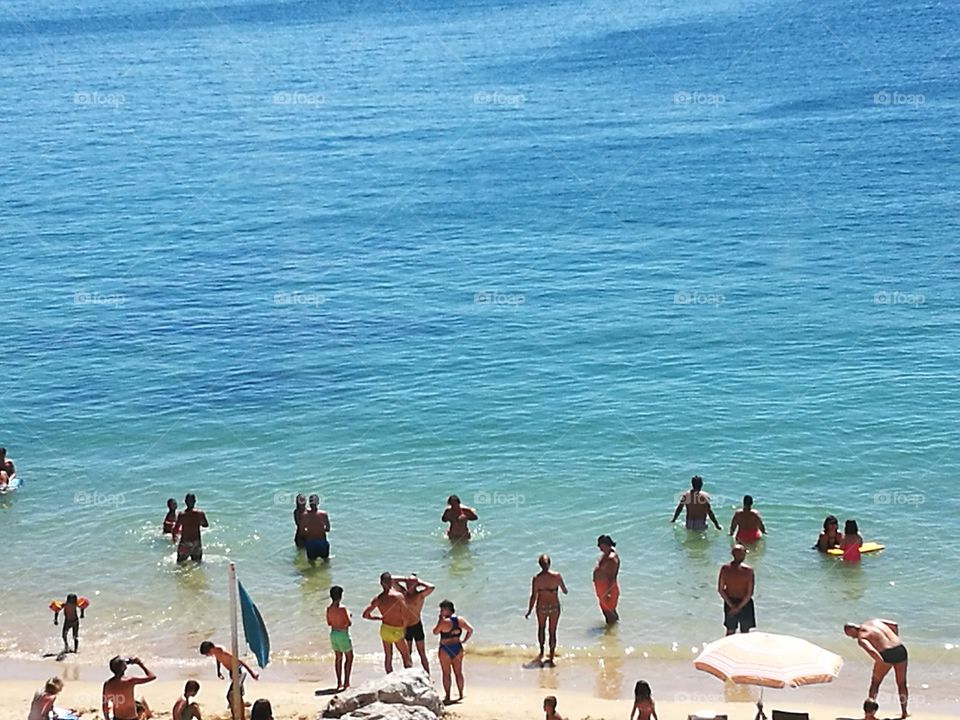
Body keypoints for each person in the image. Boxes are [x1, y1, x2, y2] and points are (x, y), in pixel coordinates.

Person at [843, 619, 908, 718]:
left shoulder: (862, 637)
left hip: (886, 654)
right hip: (900, 648)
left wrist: (880, 661)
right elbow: (894, 625)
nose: (852, 638)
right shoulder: (874, 621)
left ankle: (869, 714)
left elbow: (871, 650)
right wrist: (894, 639)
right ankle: (904, 712)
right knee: (901, 683)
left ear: (853, 629)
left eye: (851, 635)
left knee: (875, 684)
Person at [362, 572, 413, 673]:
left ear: (381, 583)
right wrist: (405, 628)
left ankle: (389, 679)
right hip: (397, 630)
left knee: (388, 657)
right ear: (391, 582)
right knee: (406, 656)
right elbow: (405, 615)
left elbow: (365, 615)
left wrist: (378, 618)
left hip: (385, 629)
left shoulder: (378, 599)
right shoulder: (398, 596)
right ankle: (410, 679)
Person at [199, 641, 260, 719]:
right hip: (233, 673)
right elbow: (218, 659)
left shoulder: (222, 652)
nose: (207, 655)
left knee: (231, 695)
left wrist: (252, 673)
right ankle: (236, 713)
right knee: (236, 695)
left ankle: (240, 716)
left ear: (210, 649)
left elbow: (240, 661)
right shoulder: (216, 652)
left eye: (207, 654)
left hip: (239, 672)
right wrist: (218, 671)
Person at [525, 554, 568, 665]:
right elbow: (565, 590)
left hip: (541, 608)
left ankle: (542, 653)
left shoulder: (536, 579)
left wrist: (529, 610)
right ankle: (552, 657)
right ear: (550, 563)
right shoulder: (557, 576)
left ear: (539, 565)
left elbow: (533, 596)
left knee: (541, 629)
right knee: (552, 631)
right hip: (554, 607)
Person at [432, 599, 474, 705]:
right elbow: (470, 630)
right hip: (457, 647)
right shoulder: (460, 620)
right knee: (458, 672)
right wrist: (464, 640)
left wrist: (439, 620)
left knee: (446, 673)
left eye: (442, 609)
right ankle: (460, 694)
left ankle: (447, 696)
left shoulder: (444, 622)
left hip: (445, 648)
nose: (440, 612)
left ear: (446, 610)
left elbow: (435, 632)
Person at [397, 574, 436, 674]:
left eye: (412, 583)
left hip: (417, 625)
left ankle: (428, 675)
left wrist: (418, 582)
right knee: (407, 653)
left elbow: (432, 587)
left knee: (421, 652)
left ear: (416, 584)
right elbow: (391, 580)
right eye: (408, 583)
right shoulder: (403, 593)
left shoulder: (419, 595)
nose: (409, 585)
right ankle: (408, 674)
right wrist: (405, 579)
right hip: (406, 627)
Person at [102, 656, 156, 720]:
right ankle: (150, 716)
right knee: (141, 701)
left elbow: (105, 705)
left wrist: (107, 718)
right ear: (123, 667)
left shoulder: (107, 684)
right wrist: (140, 664)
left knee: (116, 704)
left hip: (117, 718)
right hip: (132, 718)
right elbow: (152, 676)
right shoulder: (129, 681)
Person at [718, 544, 756, 635]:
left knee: (730, 631)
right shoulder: (748, 571)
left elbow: (721, 590)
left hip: (730, 601)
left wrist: (731, 606)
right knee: (745, 633)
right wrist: (739, 607)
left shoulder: (725, 569)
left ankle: (727, 649)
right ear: (743, 555)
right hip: (745, 603)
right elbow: (749, 593)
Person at [326, 586, 354, 690]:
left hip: (333, 633)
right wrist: (349, 616)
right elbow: (348, 623)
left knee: (338, 658)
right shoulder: (343, 609)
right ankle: (346, 682)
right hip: (343, 634)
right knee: (349, 657)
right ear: (340, 596)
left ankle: (339, 683)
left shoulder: (329, 609)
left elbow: (329, 623)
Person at [174, 493, 209, 563]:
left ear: (185, 502)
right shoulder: (200, 514)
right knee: (197, 564)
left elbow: (176, 528)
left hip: (185, 542)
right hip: (196, 542)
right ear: (195, 501)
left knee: (180, 564)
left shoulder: (182, 515)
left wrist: (174, 538)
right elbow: (205, 525)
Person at [593, 535, 620, 625]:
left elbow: (612, 576)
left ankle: (611, 632)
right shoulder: (607, 554)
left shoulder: (611, 558)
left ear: (604, 544)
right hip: (603, 587)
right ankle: (613, 631)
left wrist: (609, 591)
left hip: (607, 588)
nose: (598, 546)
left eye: (599, 544)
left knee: (608, 612)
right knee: (608, 611)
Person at [299, 494, 331, 562]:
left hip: (310, 542)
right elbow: (328, 529)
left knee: (311, 562)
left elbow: (301, 531)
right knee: (325, 562)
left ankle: (312, 572)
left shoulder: (304, 515)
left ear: (309, 503)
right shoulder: (323, 514)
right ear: (318, 503)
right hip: (321, 542)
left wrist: (310, 532)